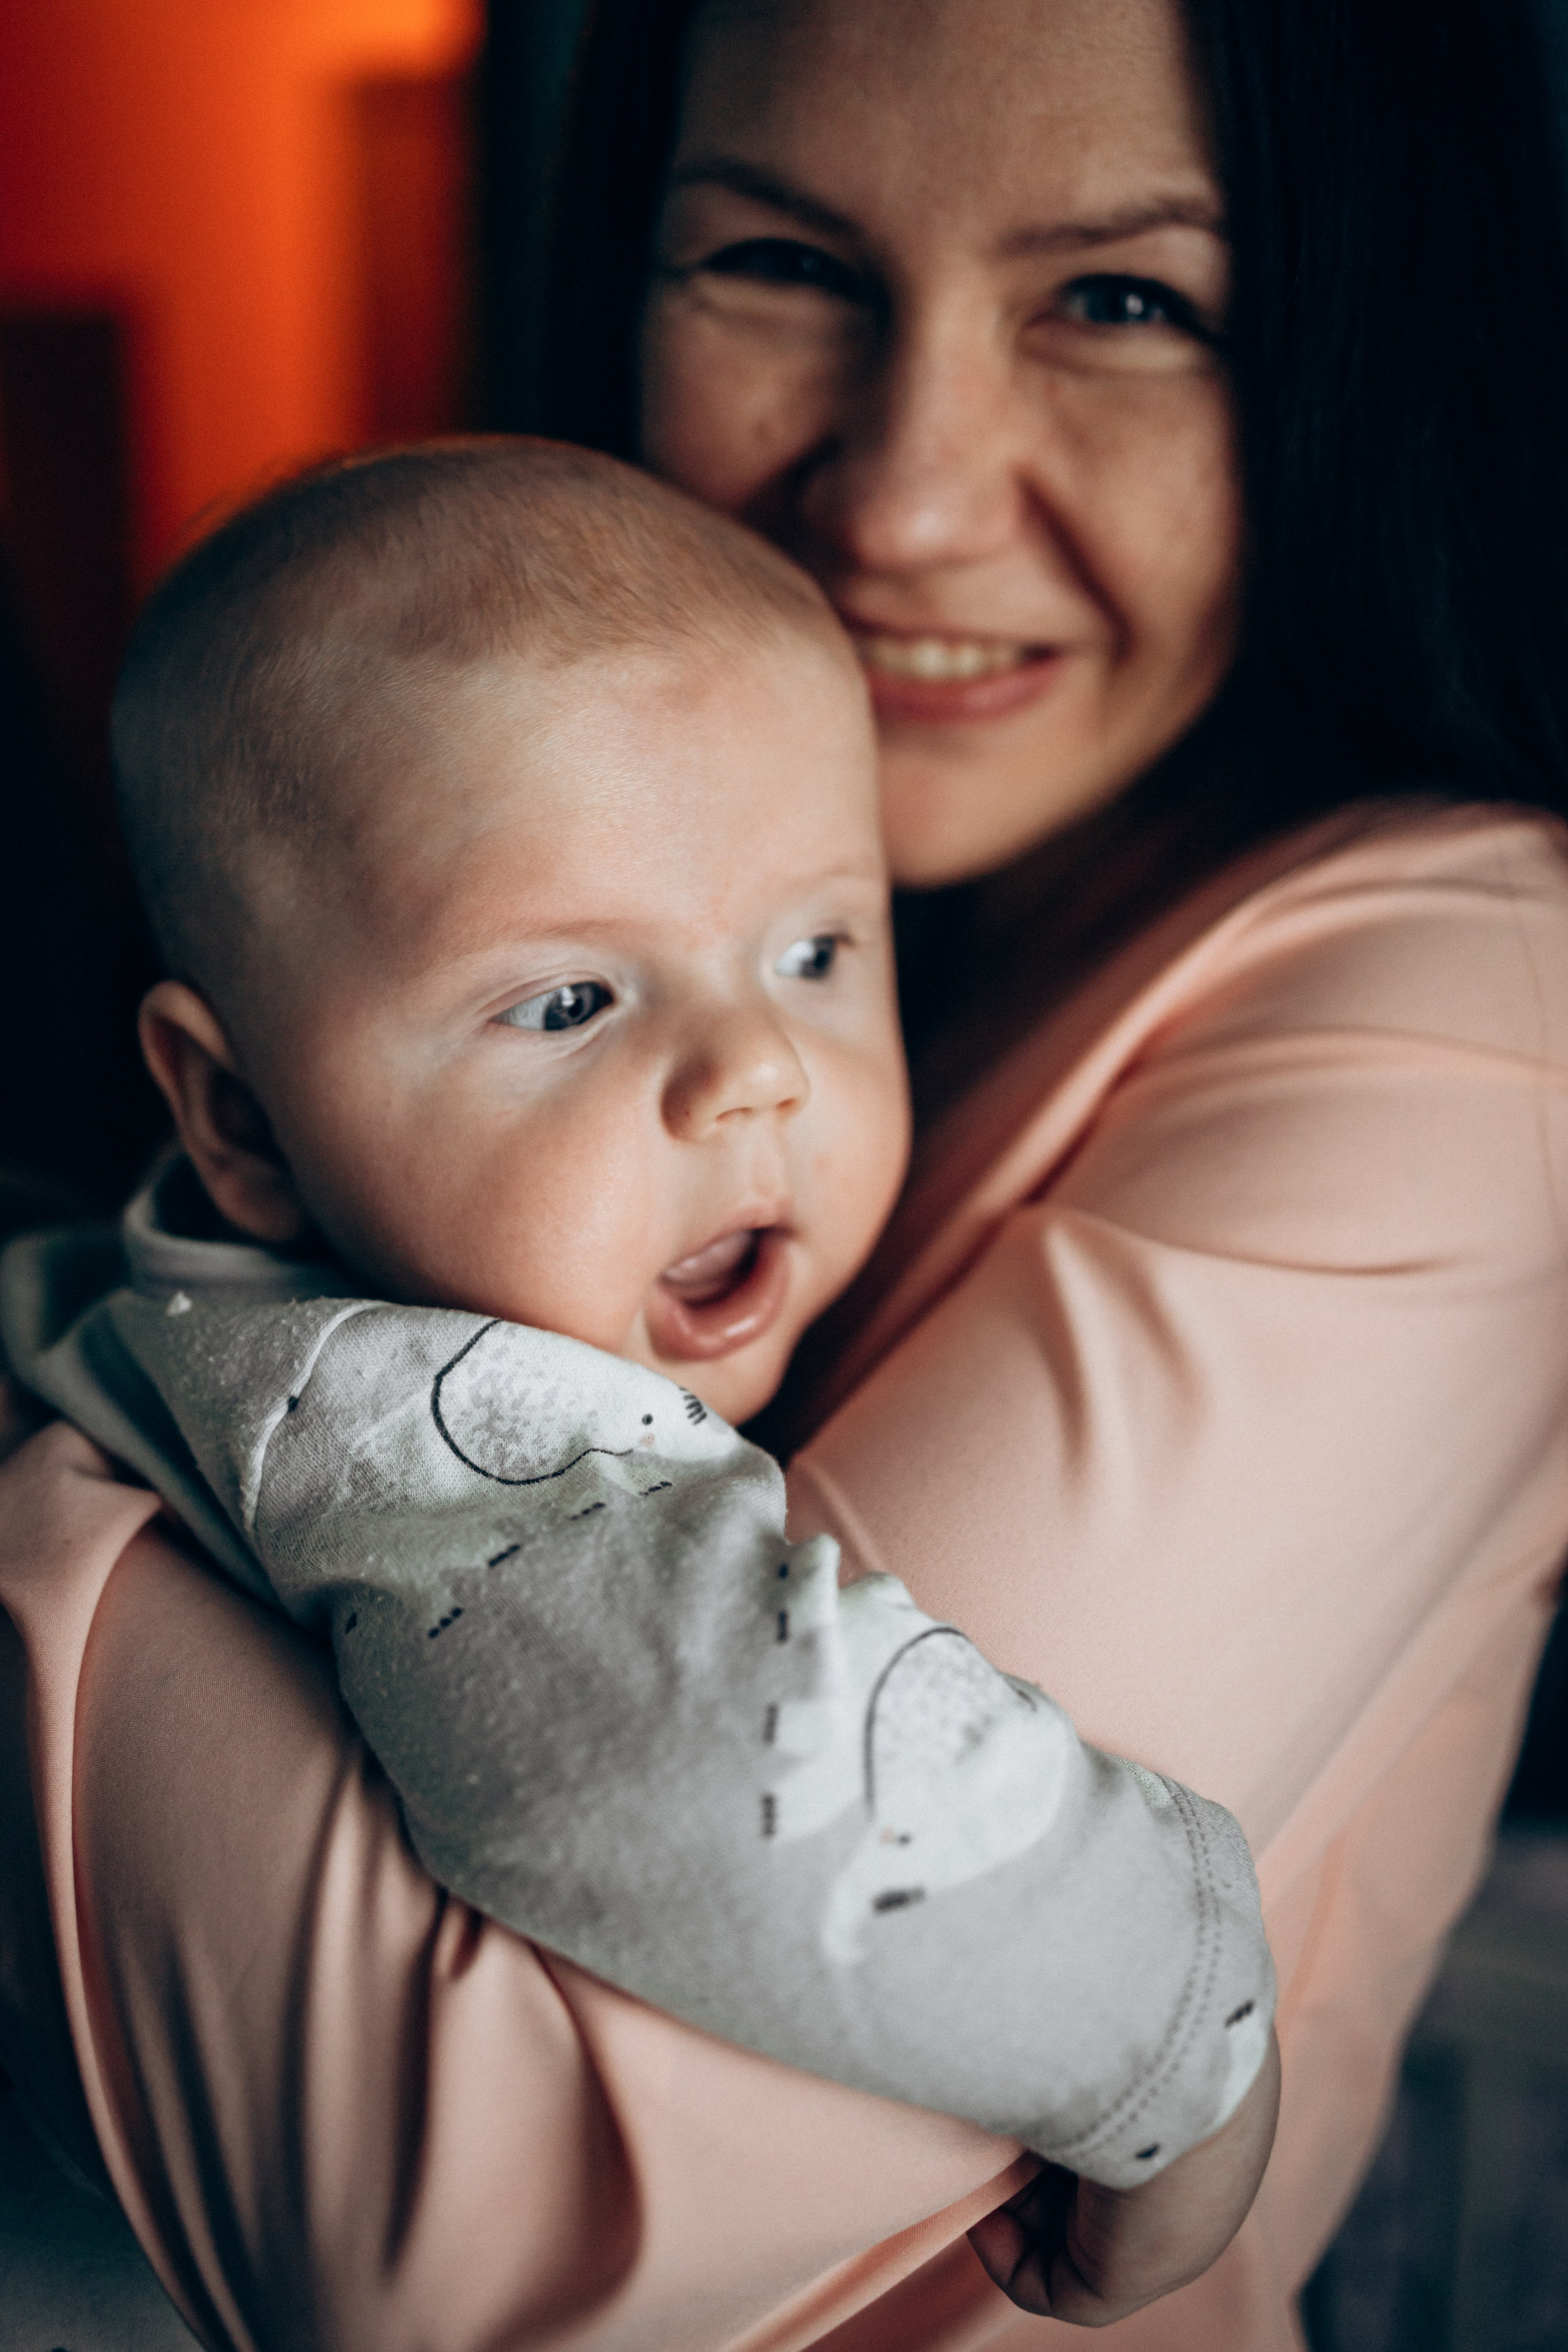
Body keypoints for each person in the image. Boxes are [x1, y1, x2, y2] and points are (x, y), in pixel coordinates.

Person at [2, 0, 1567, 2345]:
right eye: (782, 265)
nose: (907, 499)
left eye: (1127, 298)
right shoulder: (460, 1012)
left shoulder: (1478, 1003)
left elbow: (471, 2239)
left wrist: (55, 1524)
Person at [2, 437, 1276, 2277]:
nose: (752, 1070)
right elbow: (746, 1785)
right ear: (241, 1121)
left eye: (817, 947)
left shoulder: (137, 1287)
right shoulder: (421, 1419)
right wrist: (1182, 2048)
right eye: (573, 1000)